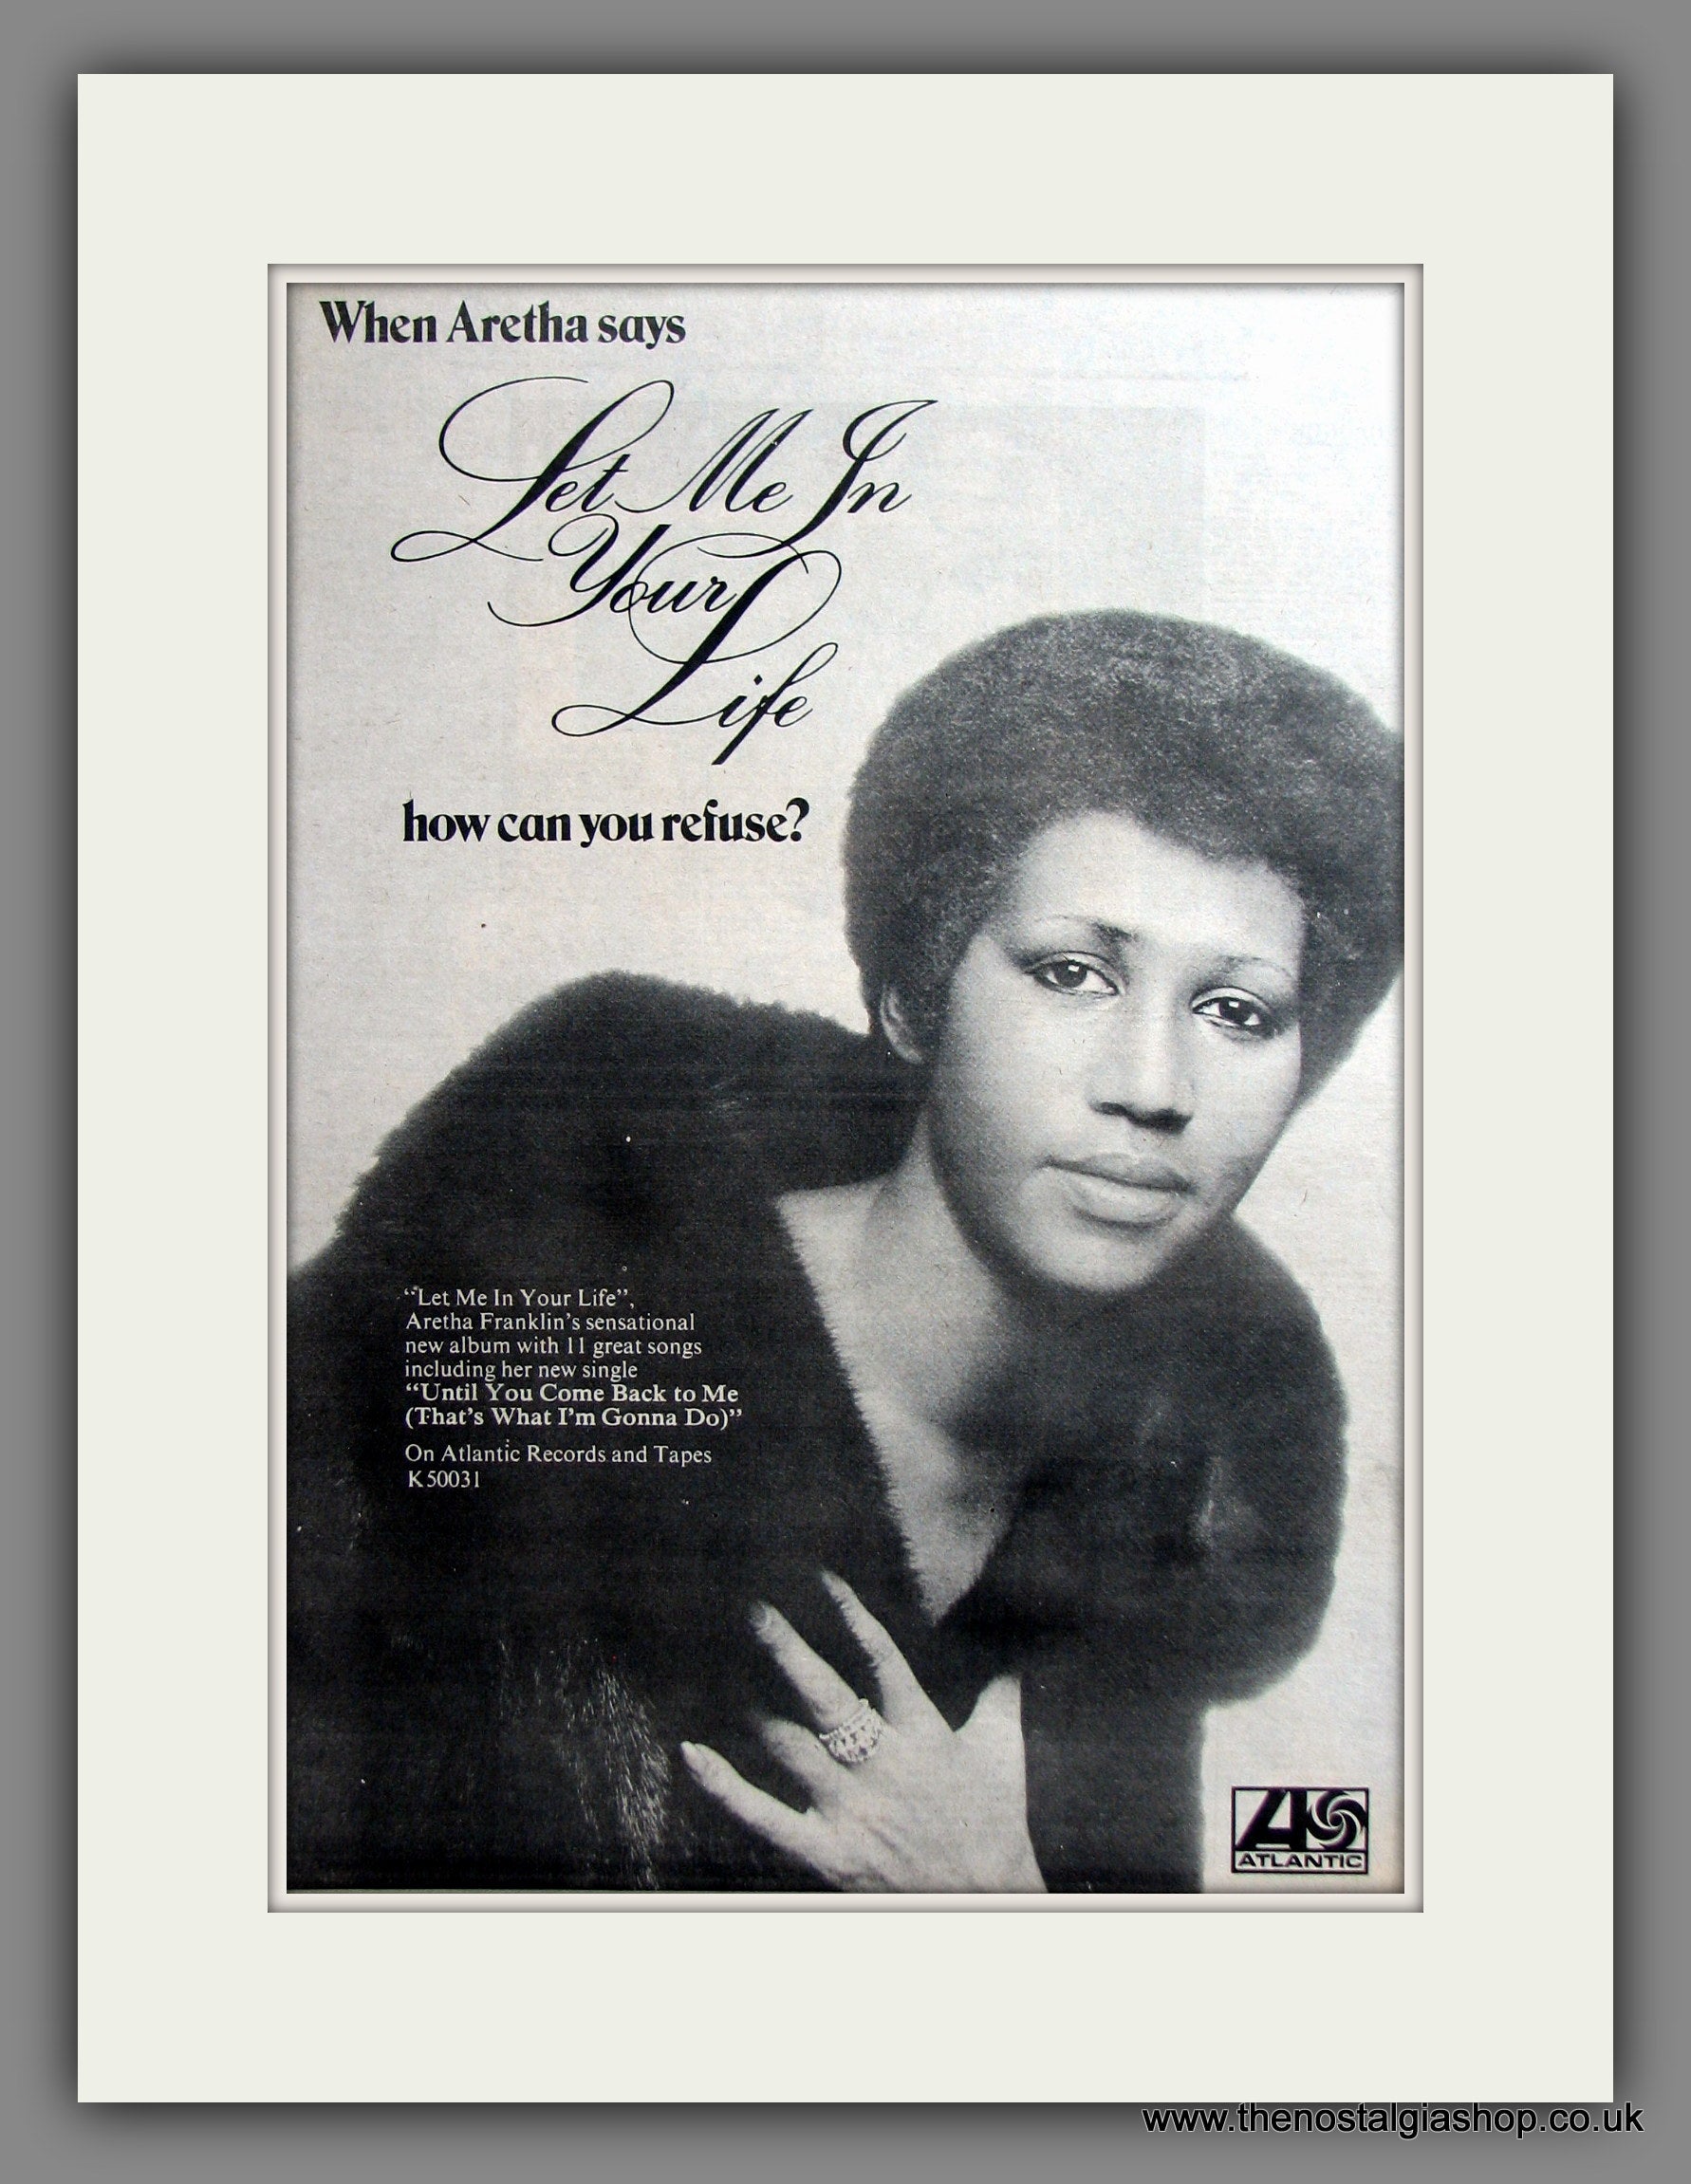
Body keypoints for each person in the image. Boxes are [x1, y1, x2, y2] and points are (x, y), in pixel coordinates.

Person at [288, 609, 1403, 1894]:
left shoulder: (1159, 1546)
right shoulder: (447, 1386)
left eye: (1237, 1011)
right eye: (1071, 974)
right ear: (914, 1001)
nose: (1152, 1088)